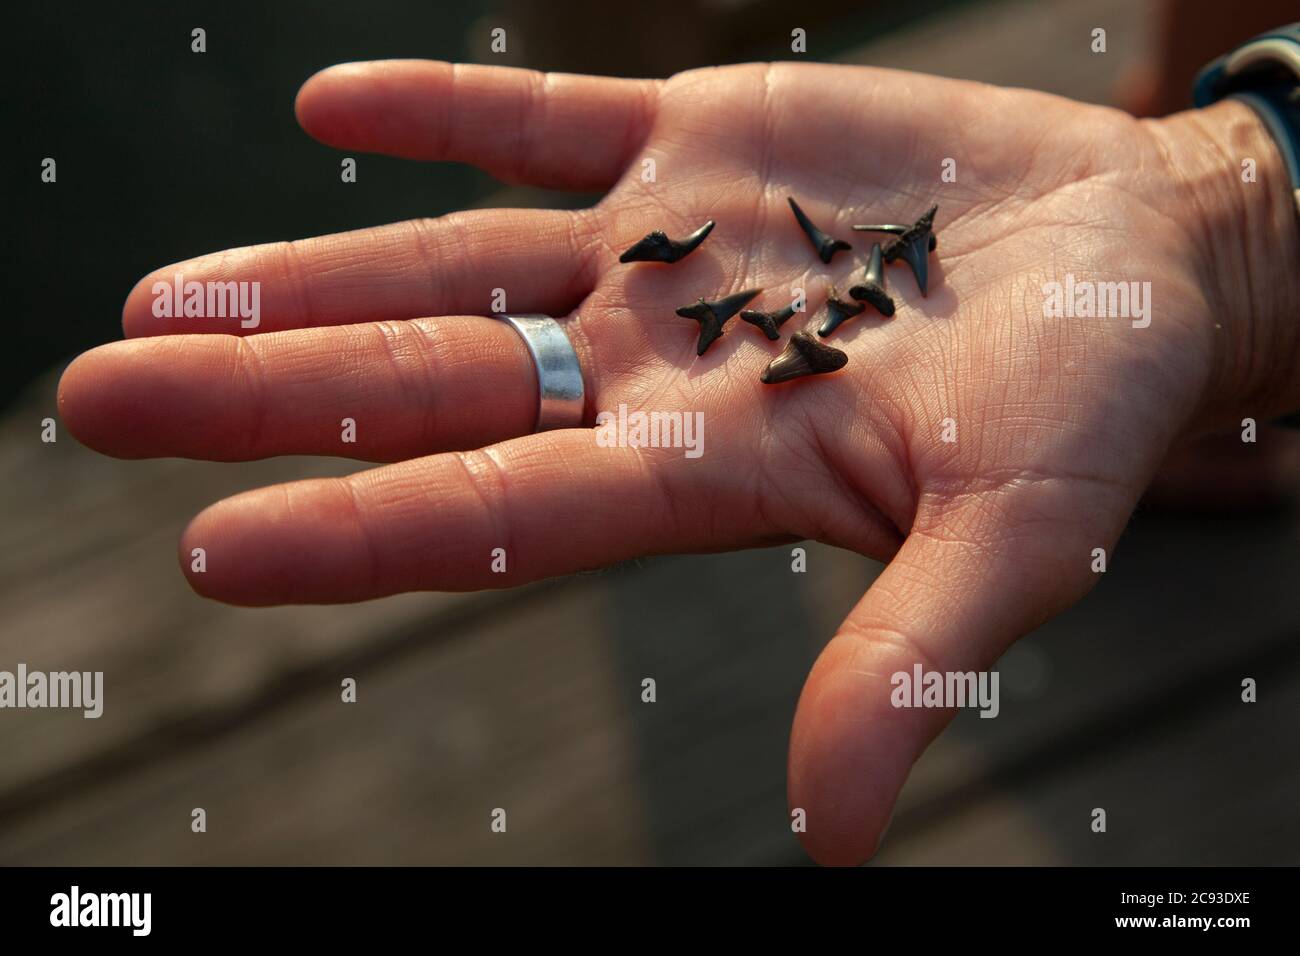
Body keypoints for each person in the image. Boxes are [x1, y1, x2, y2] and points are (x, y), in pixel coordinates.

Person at [57, 46, 1300, 866]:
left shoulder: (841, 285)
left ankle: (1210, 422)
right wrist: (1227, 193)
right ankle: (1214, 424)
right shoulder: (825, 285)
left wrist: (1219, 220)